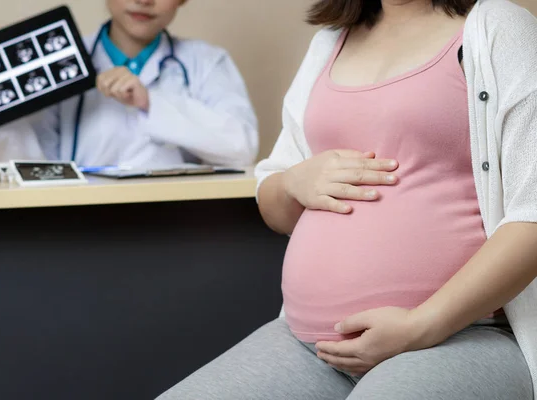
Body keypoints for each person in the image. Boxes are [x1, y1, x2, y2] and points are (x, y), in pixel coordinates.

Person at [157, 0, 537, 398]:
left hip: (455, 337)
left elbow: (531, 215)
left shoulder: (497, 28)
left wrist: (421, 325)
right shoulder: (328, 43)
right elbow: (275, 205)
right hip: (307, 347)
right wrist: (293, 183)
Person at [0, 0, 258, 169]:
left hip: (179, 226)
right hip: (81, 226)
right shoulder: (59, 64)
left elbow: (241, 149)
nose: (144, 0)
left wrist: (150, 102)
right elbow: (32, 167)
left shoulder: (206, 62)